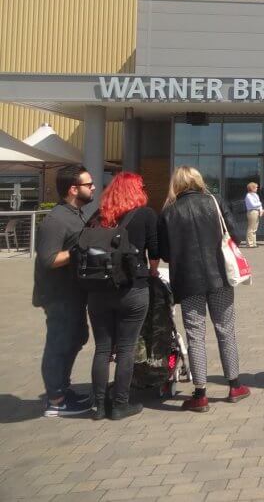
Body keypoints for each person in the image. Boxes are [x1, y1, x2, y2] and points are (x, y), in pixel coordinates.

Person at [158, 166, 249, 411]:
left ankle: (200, 394)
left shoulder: (169, 211)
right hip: (219, 276)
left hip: (188, 281)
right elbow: (237, 235)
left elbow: (164, 253)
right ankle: (234, 385)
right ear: (198, 180)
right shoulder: (214, 202)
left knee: (195, 335)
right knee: (225, 329)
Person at [85, 172, 159, 420]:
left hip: (98, 289)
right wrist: (153, 271)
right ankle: (120, 404)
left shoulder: (98, 217)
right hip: (132, 288)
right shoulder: (145, 215)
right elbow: (155, 250)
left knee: (102, 348)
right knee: (126, 348)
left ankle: (97, 406)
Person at [34, 164, 94, 417]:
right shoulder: (56, 219)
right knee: (59, 343)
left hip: (74, 292)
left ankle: (63, 389)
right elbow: (48, 259)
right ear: (73, 189)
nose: (93, 188)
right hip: (58, 295)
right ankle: (55, 399)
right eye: (88, 184)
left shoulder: (77, 214)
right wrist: (78, 251)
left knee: (77, 337)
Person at [243, 181, 262, 249]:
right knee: (251, 228)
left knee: (255, 228)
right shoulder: (248, 196)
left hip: (256, 212)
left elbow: (258, 204)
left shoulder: (255, 195)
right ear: (252, 188)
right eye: (256, 187)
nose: (257, 188)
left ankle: (254, 243)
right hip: (252, 212)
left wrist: (261, 209)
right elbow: (253, 205)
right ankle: (249, 243)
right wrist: (260, 204)